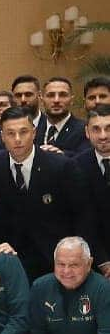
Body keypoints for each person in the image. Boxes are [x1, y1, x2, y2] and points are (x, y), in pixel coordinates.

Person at [0, 106, 93, 280]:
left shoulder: (60, 166)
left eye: (23, 132)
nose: (17, 139)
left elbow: (82, 214)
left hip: (53, 257)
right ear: (2, 137)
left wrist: (76, 255)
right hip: (12, 254)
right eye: (10, 133)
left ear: (34, 132)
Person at [75, 104, 110, 275]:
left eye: (108, 129)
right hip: (96, 261)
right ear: (87, 132)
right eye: (96, 129)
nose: (103, 136)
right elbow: (83, 219)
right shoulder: (77, 166)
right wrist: (103, 261)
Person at [40, 76, 86, 152]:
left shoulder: (84, 130)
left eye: (62, 95)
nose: (56, 100)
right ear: (42, 100)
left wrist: (62, 156)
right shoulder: (34, 129)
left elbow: (85, 159)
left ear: (71, 100)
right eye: (51, 95)